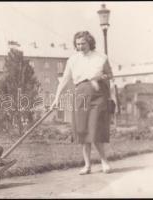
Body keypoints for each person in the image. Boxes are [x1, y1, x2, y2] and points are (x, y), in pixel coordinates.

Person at [51, 31, 113, 175]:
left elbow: (110, 75)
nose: (80, 46)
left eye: (83, 43)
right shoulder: (72, 60)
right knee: (82, 130)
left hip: (98, 94)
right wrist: (56, 98)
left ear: (90, 42)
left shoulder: (101, 57)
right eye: (78, 44)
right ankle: (87, 165)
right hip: (80, 95)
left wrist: (100, 76)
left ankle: (104, 162)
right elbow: (65, 80)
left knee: (95, 129)